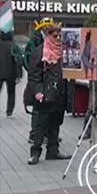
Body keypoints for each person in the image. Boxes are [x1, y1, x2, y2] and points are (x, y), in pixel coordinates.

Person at [24, 25, 70, 164]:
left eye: (59, 36)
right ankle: (35, 153)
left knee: (55, 124)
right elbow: (33, 75)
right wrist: (38, 91)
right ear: (48, 36)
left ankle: (53, 151)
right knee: (40, 126)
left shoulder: (63, 52)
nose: (57, 38)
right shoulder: (39, 52)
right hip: (44, 95)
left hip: (58, 94)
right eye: (54, 36)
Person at [0, 31, 21, 117]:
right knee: (11, 92)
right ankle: (9, 112)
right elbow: (17, 61)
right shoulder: (13, 46)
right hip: (11, 73)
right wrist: (19, 74)